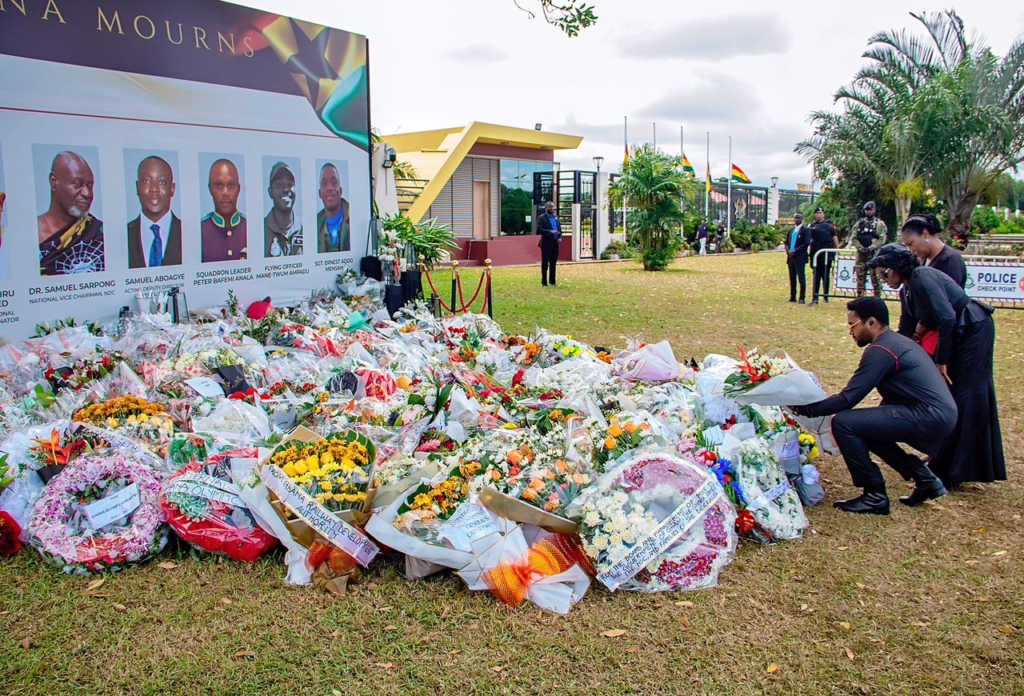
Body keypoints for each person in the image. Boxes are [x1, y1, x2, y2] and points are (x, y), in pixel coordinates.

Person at [790, 298, 956, 514]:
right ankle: (925, 479)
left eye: (852, 325)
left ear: (871, 322)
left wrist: (803, 408)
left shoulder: (881, 350)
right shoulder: (895, 342)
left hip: (928, 415)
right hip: (937, 413)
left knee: (843, 423)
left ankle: (874, 494)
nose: (850, 331)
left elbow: (848, 399)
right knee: (865, 426)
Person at [868, 244, 1005, 488]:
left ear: (897, 268)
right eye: (878, 276)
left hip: (973, 329)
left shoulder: (923, 277)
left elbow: (947, 317)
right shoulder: (906, 290)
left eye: (884, 274)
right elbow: (906, 329)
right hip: (956, 332)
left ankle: (952, 469)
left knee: (965, 395)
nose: (883, 280)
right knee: (950, 395)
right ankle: (941, 458)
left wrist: (941, 360)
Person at [38, 151, 105, 276]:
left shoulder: (98, 234)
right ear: (54, 182)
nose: (87, 193)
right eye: (77, 184)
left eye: (89, 186)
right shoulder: (28, 233)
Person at [128, 156, 182, 269]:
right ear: (137, 187)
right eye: (146, 181)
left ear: (172, 189)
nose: (154, 189)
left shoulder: (190, 234)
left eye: (162, 182)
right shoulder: (124, 235)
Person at [899, 213, 966, 288]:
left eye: (910, 244)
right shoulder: (922, 260)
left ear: (925, 234)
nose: (910, 250)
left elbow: (950, 296)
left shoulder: (951, 259)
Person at [201, 158, 247, 262]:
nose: (225, 192)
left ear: (238, 189)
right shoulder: (199, 231)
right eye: (218, 185)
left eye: (231, 185)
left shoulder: (251, 228)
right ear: (210, 189)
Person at [845, 201, 887, 298]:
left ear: (875, 210)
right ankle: (860, 298)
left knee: (875, 278)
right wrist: (860, 248)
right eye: (866, 210)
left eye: (870, 210)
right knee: (860, 278)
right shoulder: (859, 223)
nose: (868, 212)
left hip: (874, 254)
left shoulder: (879, 224)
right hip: (861, 255)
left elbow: (882, 239)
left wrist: (871, 248)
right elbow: (853, 237)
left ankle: (877, 299)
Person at [264, 161, 303, 258]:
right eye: (279, 185)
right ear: (270, 192)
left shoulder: (305, 229)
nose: (286, 189)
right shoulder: (261, 231)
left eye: (290, 185)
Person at [807, 206, 839, 305]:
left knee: (825, 275)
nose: (818, 214)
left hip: (826, 254)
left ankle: (826, 296)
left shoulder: (829, 225)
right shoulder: (812, 225)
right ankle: (815, 296)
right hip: (815, 253)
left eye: (820, 213)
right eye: (816, 213)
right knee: (816, 275)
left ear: (823, 214)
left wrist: (837, 249)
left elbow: (834, 237)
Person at [316, 163, 350, 253]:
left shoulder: (353, 217)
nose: (329, 188)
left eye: (334, 182)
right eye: (324, 183)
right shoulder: (314, 224)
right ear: (320, 193)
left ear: (341, 190)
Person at [785, 212, 810, 303]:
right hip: (791, 258)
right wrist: (788, 251)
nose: (796, 219)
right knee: (792, 278)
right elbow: (786, 242)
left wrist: (795, 251)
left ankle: (802, 297)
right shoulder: (791, 231)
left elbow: (806, 243)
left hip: (800, 257)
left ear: (802, 219)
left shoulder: (806, 230)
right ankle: (792, 296)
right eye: (795, 218)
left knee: (801, 278)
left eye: (798, 218)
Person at [537, 200, 561, 286]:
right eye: (549, 206)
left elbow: (560, 231)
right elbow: (539, 230)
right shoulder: (541, 218)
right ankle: (544, 282)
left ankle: (552, 281)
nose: (551, 208)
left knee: (553, 263)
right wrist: (551, 231)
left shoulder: (556, 218)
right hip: (546, 244)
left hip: (555, 244)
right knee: (545, 263)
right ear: (546, 208)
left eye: (552, 206)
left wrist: (559, 238)